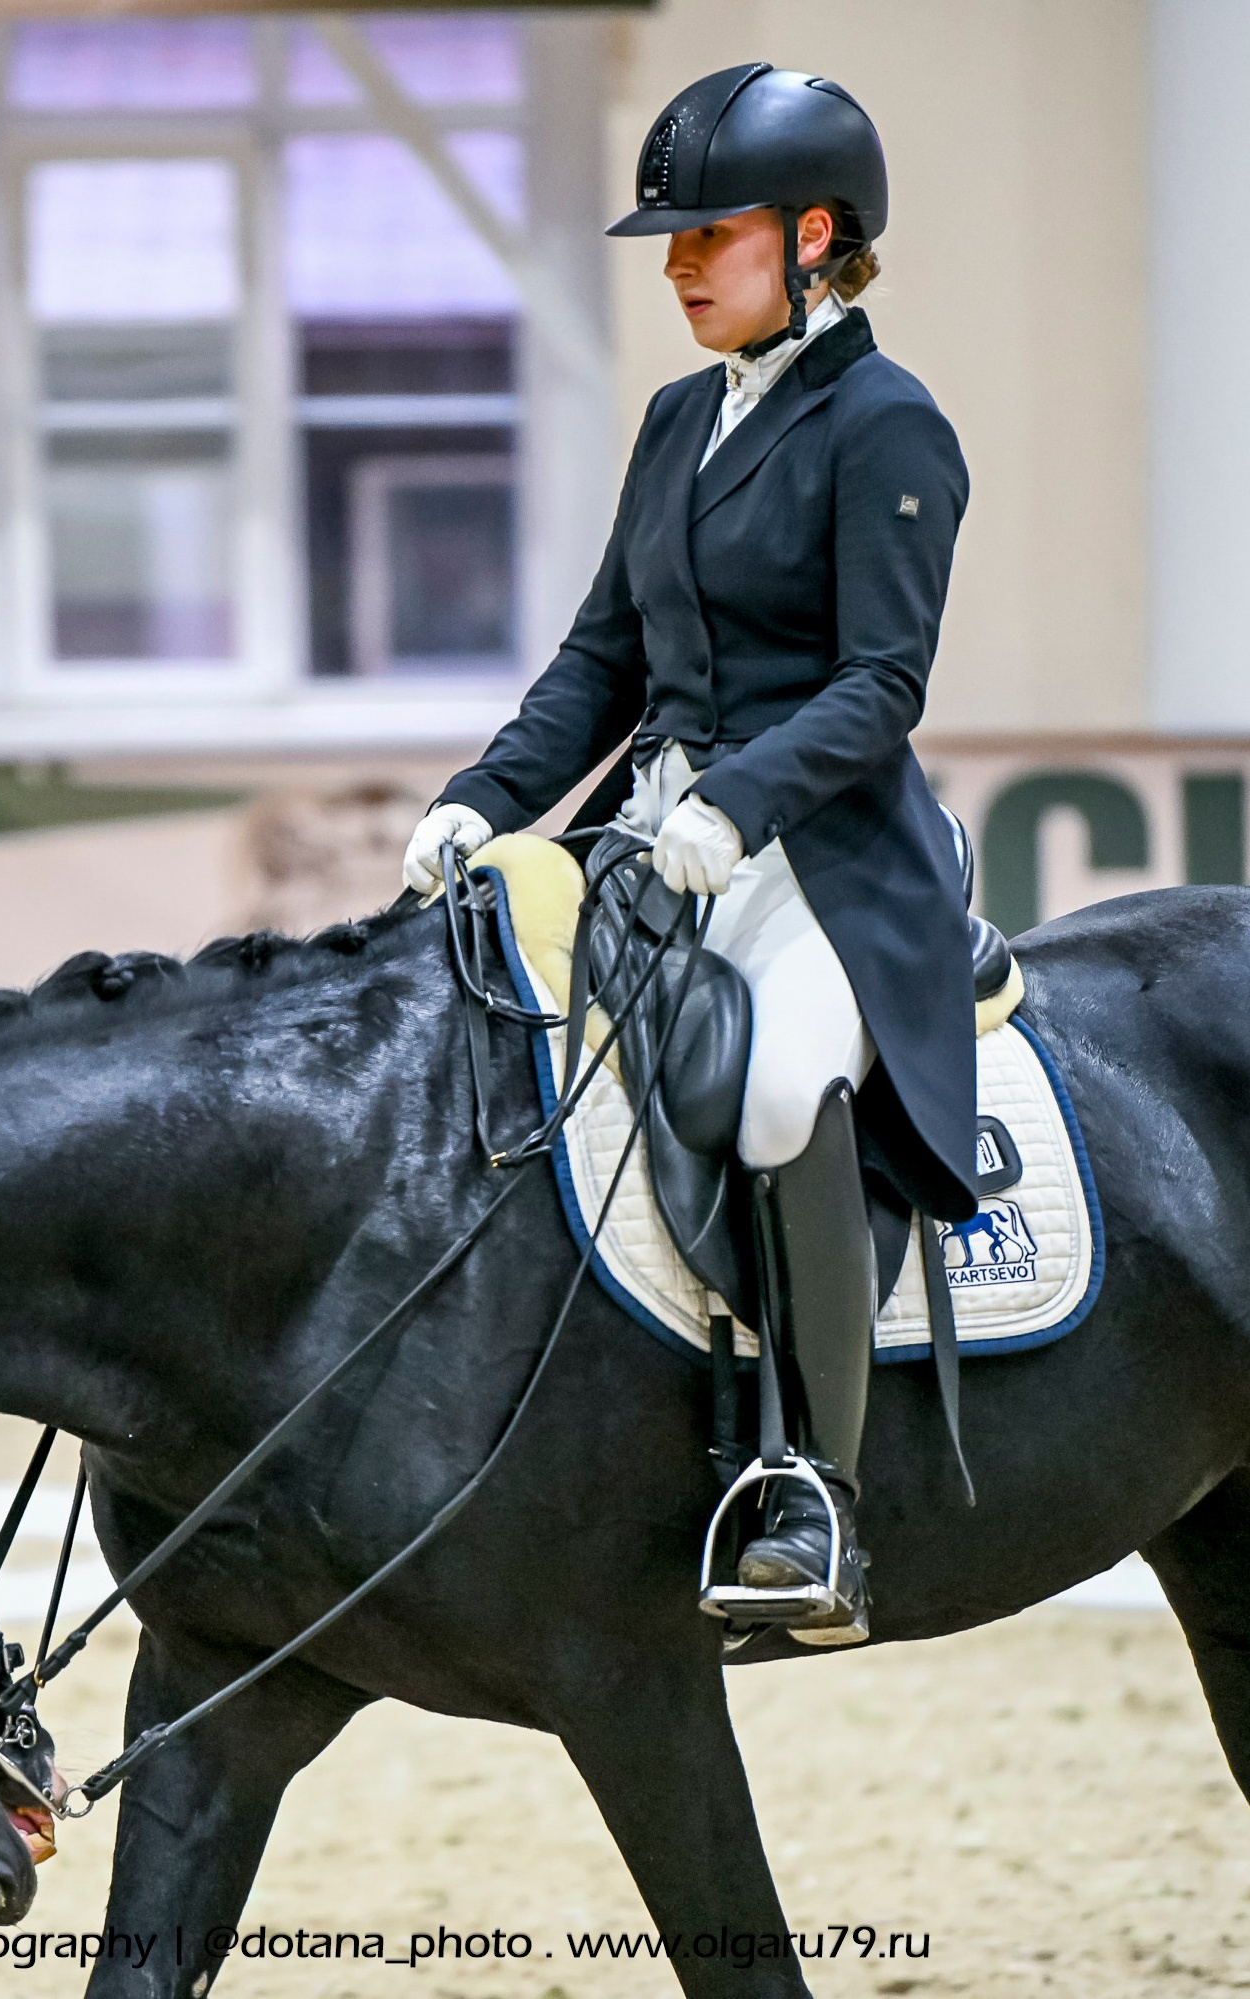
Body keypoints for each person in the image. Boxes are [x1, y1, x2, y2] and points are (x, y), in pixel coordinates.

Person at [401, 63, 978, 1641]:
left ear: (813, 237)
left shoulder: (888, 424)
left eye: (707, 235)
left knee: (784, 1087)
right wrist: (486, 798)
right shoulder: (677, 420)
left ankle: (816, 1494)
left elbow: (883, 683)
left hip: (820, 852)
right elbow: (604, 658)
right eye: (671, 238)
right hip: (655, 834)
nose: (676, 266)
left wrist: (741, 801)